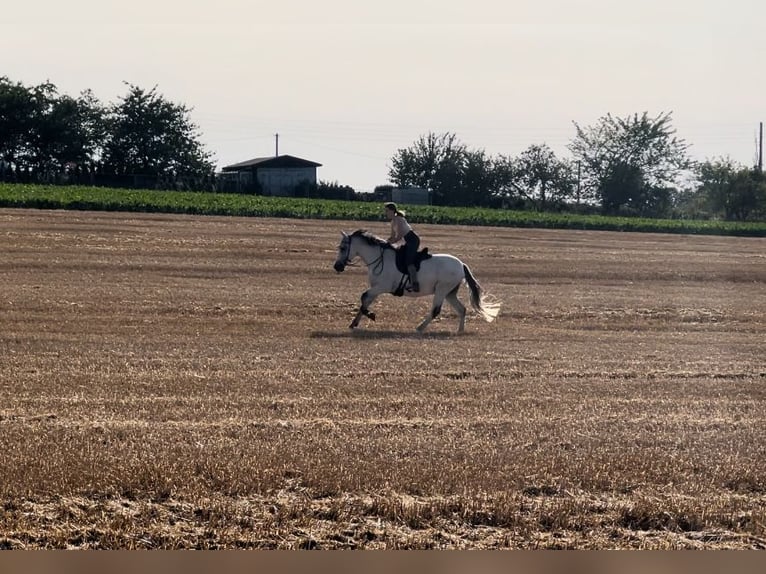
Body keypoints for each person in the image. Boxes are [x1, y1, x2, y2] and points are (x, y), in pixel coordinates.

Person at [384, 202, 420, 292]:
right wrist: (385, 242)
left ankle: (414, 284)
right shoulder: (393, 222)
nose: (386, 213)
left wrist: (390, 243)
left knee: (409, 261)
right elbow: (392, 236)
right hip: (408, 241)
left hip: (413, 240)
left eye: (387, 211)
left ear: (392, 211)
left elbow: (399, 236)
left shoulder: (399, 219)